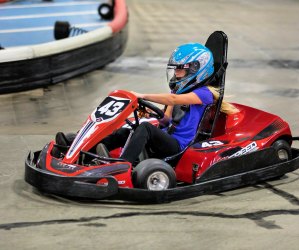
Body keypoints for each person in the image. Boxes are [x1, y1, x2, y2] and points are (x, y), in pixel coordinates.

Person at [56, 43, 238, 165]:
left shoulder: (204, 94)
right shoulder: (177, 91)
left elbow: (174, 101)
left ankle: (122, 165)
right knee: (128, 129)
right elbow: (166, 120)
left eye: (180, 70)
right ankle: (83, 148)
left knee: (146, 130)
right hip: (168, 137)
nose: (177, 75)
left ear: (196, 70)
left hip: (180, 147)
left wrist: (142, 95)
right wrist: (150, 114)